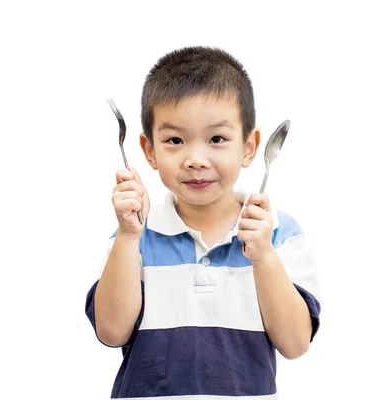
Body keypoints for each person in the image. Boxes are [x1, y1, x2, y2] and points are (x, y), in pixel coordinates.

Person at [85, 46, 321, 399]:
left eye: (217, 139)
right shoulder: (133, 235)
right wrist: (129, 237)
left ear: (249, 147)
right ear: (149, 150)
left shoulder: (278, 234)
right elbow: (112, 332)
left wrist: (264, 257)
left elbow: (295, 343)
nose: (196, 159)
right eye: (175, 140)